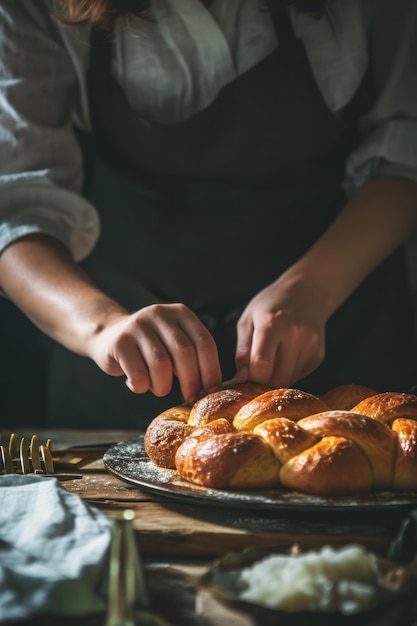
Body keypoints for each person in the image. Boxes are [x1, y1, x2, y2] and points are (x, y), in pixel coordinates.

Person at [0, 0, 416, 429]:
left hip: (343, 336)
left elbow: (404, 152)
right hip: (125, 368)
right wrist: (102, 327)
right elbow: (17, 205)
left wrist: (314, 289)